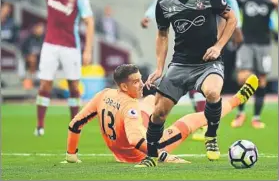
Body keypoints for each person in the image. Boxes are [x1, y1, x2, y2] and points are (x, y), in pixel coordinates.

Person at [135, 0, 238, 167]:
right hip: (180, 64)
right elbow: (162, 35)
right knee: (158, 113)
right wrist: (159, 68)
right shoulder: (163, 3)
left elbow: (232, 18)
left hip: (209, 62)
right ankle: (152, 156)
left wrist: (218, 46)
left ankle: (211, 135)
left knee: (213, 92)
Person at [63, 64, 258, 164]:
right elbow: (134, 140)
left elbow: (75, 124)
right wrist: (161, 155)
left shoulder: (104, 94)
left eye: (141, 79)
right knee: (193, 119)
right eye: (136, 82)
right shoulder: (129, 107)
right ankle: (238, 99)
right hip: (137, 154)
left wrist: (71, 155)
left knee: (149, 101)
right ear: (124, 85)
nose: (141, 83)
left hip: (119, 149)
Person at [11, 0, 94, 136]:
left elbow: (89, 21)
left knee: (74, 87)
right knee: (45, 85)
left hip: (70, 47)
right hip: (50, 45)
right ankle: (40, 126)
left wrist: (88, 50)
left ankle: (75, 125)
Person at [231, 0, 278, 129]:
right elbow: (231, 11)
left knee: (262, 80)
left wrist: (277, 4)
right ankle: (240, 113)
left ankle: (256, 117)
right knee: (243, 77)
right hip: (246, 41)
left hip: (264, 42)